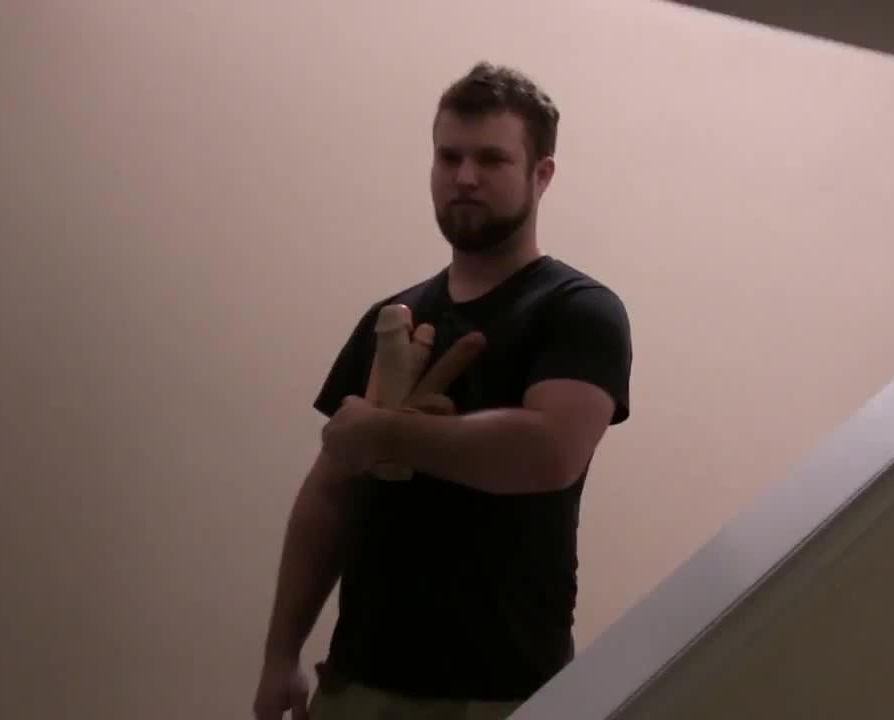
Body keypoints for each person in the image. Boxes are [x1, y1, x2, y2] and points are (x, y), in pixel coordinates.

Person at [253, 61, 633, 720]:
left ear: (541, 174)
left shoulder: (578, 311)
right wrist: (280, 655)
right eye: (449, 157)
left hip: (504, 695)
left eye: (491, 159)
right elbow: (328, 497)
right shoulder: (391, 318)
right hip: (358, 684)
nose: (465, 177)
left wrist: (387, 433)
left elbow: (548, 453)